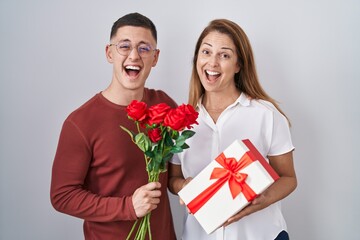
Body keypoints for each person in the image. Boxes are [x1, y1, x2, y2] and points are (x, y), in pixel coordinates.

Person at [50, 12, 177, 239]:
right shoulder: (79, 122)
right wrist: (127, 207)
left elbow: (182, 166)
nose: (134, 56)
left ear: (155, 58)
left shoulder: (164, 105)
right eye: (124, 46)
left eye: (144, 48)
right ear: (109, 53)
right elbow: (62, 196)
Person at [168, 18, 297, 240]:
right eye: (206, 52)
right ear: (196, 58)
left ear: (238, 65)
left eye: (224, 55)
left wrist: (261, 199)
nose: (213, 63)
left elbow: (288, 178)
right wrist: (185, 186)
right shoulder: (182, 120)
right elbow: (173, 179)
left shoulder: (266, 115)